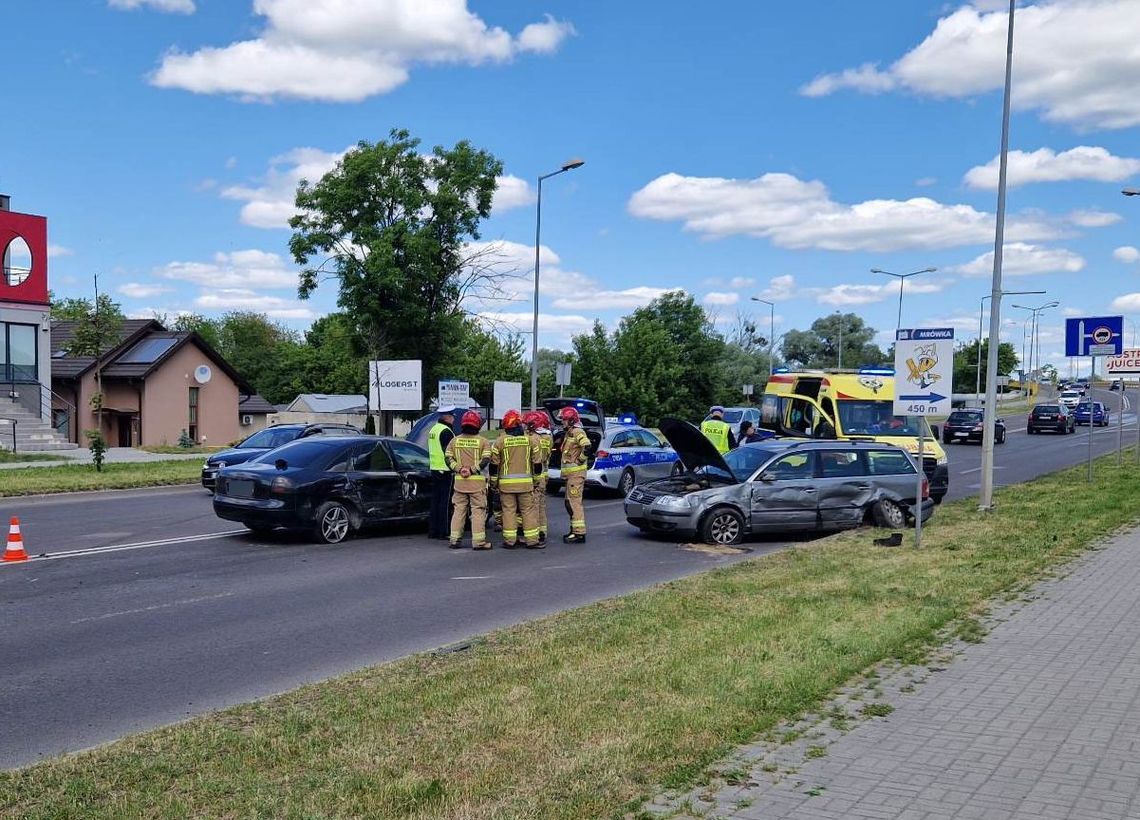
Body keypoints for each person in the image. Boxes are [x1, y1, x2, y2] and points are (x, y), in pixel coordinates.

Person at [489, 410, 543, 549]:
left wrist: (493, 483)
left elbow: (494, 465)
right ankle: (532, 541)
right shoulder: (530, 440)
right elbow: (537, 463)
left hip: (506, 485)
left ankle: (510, 541)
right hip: (526, 485)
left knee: (508, 511)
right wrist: (536, 480)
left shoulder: (499, 441)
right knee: (528, 511)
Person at [445, 411, 492, 550]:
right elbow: (486, 460)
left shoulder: (455, 441)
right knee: (478, 512)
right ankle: (478, 542)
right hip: (477, 484)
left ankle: (454, 540)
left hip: (460, 483)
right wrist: (471, 470)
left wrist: (459, 469)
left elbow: (447, 459)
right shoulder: (483, 441)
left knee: (459, 511)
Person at [558, 406, 592, 543]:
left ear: (571, 421)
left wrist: (580, 459)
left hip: (576, 476)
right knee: (569, 503)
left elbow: (587, 446)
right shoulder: (570, 432)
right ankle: (574, 530)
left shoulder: (577, 431)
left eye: (564, 420)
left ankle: (579, 533)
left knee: (574, 503)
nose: (562, 422)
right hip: (571, 477)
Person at [426, 408, 456, 539]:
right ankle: (443, 531)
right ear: (447, 417)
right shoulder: (446, 431)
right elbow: (448, 452)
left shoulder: (434, 429)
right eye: (452, 416)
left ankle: (433, 530)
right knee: (445, 502)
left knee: (435, 501)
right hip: (445, 470)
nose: (454, 418)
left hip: (434, 468)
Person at [526, 411, 554, 544]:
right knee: (541, 506)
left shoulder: (534, 438)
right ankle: (542, 530)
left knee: (533, 506)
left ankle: (535, 533)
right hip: (543, 474)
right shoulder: (548, 438)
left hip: (535, 476)